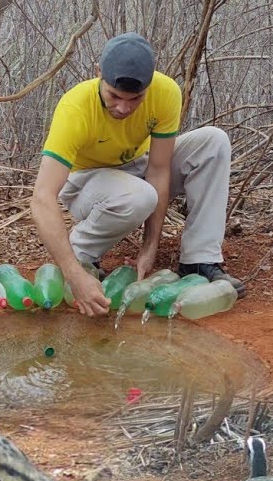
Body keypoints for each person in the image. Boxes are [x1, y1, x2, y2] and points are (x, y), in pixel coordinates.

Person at [31, 32, 245, 317]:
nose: (123, 107)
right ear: (99, 75)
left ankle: (198, 260)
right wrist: (72, 274)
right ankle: (81, 256)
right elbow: (42, 197)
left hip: (138, 166)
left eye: (135, 99)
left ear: (150, 83)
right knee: (141, 196)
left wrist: (150, 246)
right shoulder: (75, 107)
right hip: (87, 182)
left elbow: (158, 170)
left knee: (213, 142)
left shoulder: (165, 92)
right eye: (114, 96)